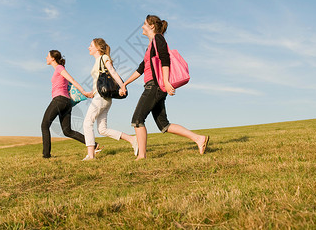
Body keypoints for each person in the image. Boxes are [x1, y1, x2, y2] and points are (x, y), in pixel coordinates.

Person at [120, 15, 209, 160]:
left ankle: (142, 156)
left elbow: (165, 59)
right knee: (164, 125)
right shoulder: (150, 45)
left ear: (152, 26)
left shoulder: (158, 39)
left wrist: (166, 82)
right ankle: (199, 139)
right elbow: (141, 68)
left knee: (137, 120)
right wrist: (125, 83)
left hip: (154, 86)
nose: (142, 26)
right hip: (153, 86)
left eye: (144, 24)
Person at [82, 38, 138, 160]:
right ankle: (132, 139)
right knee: (102, 129)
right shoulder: (97, 61)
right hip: (101, 97)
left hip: (101, 98)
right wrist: (92, 92)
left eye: (91, 45)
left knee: (87, 123)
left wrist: (123, 86)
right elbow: (99, 81)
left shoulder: (103, 58)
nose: (88, 47)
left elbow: (113, 72)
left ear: (97, 48)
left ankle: (91, 155)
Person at [41, 50, 101, 158]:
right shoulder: (58, 69)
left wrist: (83, 92)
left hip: (59, 100)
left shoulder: (59, 68)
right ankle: (94, 145)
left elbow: (72, 80)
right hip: (66, 103)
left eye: (47, 56)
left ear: (53, 58)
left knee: (44, 125)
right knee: (67, 131)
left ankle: (46, 155)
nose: (46, 58)